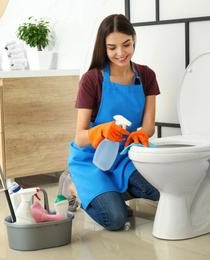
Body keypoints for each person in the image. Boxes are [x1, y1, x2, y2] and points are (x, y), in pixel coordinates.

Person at [58, 14, 160, 231]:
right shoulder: (92, 79)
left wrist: (142, 134)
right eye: (112, 47)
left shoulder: (146, 75)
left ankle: (109, 192)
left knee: (158, 189)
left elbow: (149, 125)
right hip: (92, 157)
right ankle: (73, 185)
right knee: (115, 219)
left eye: (126, 45)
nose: (120, 53)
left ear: (134, 39)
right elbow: (80, 136)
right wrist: (102, 131)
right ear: (103, 47)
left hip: (125, 154)